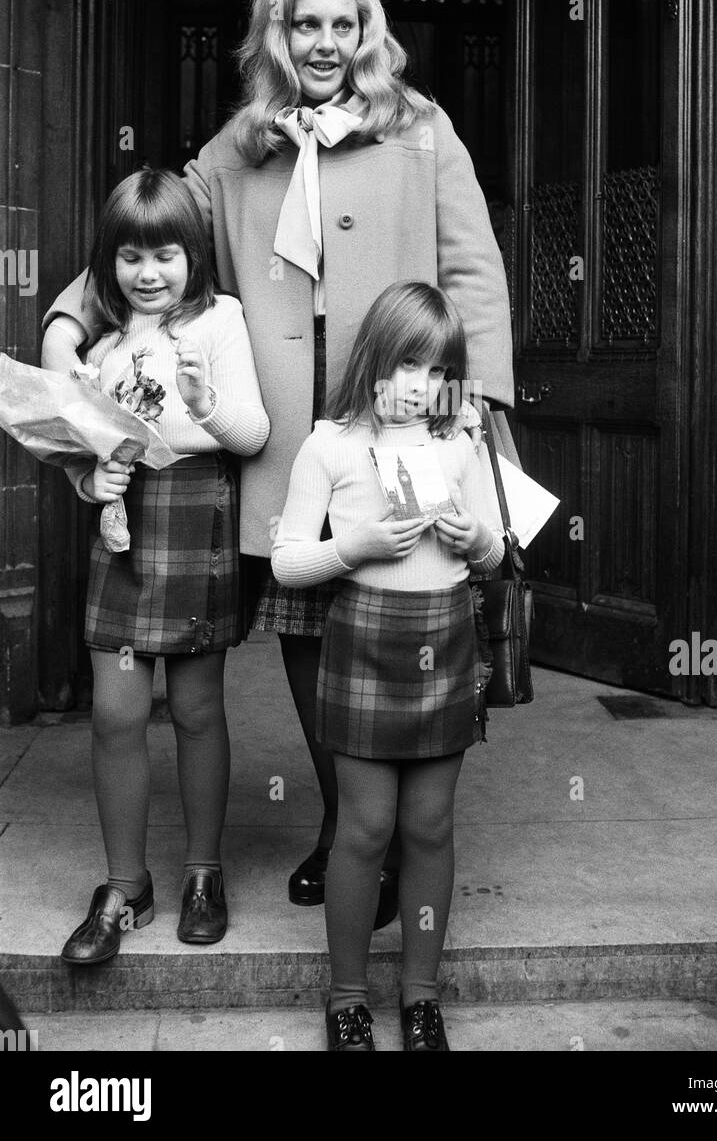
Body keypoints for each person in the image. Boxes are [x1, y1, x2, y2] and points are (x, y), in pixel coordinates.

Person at [41, 0, 515, 928]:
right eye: (307, 25)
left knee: (407, 619)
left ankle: (387, 842)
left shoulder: (423, 130)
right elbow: (152, 244)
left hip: (405, 424)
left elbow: (472, 273)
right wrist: (64, 321)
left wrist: (477, 401)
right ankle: (350, 824)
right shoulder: (234, 149)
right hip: (291, 450)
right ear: (276, 33)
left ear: (367, 33)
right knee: (311, 634)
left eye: (345, 24)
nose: (327, 43)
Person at [272, 282, 502, 1051]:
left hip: (445, 635)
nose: (421, 386)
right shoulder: (328, 445)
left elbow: (496, 553)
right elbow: (287, 562)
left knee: (429, 827)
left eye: (438, 371)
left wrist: (476, 539)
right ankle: (346, 999)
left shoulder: (459, 443)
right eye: (407, 364)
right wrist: (355, 547)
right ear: (373, 357)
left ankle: (420, 997)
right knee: (365, 829)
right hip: (366, 640)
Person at [47, 169, 269, 965]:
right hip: (122, 532)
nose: (148, 273)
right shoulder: (98, 345)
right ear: (107, 264)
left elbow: (251, 435)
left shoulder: (221, 320)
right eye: (131, 257)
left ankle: (204, 874)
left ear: (192, 255)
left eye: (166, 255)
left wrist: (205, 401)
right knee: (115, 714)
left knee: (198, 710)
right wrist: (85, 479)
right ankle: (125, 886)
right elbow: (81, 451)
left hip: (195, 512)